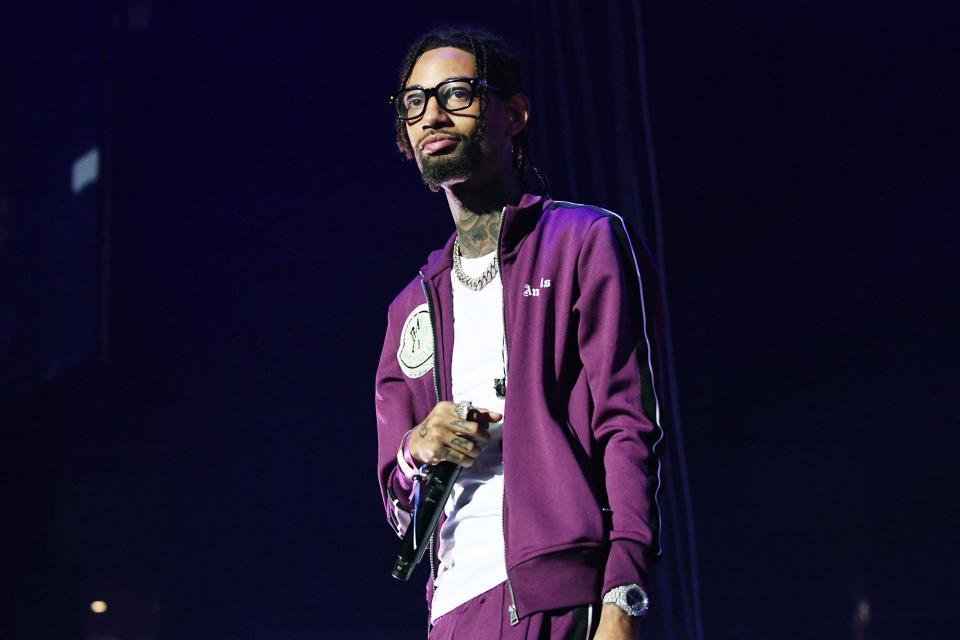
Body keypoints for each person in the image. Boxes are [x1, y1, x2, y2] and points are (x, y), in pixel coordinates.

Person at [375, 27, 664, 640]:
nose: (432, 114)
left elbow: (627, 425)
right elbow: (397, 500)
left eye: (457, 94)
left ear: (513, 113)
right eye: (415, 101)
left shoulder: (583, 242)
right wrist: (417, 447)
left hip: (560, 594)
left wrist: (624, 594)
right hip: (452, 608)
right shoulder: (412, 308)